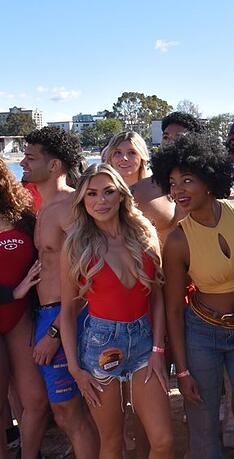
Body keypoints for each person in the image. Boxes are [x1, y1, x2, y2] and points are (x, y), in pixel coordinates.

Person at [153, 133, 234, 458]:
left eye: (187, 180)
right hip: (201, 335)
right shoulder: (177, 241)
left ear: (209, 178)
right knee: (203, 430)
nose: (178, 190)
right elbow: (174, 310)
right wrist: (183, 370)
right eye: (173, 183)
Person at [59, 164, 172, 458]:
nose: (101, 201)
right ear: (82, 200)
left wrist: (159, 350)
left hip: (145, 345)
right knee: (111, 442)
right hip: (100, 346)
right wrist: (75, 369)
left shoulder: (143, 233)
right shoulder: (76, 245)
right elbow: (68, 313)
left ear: (122, 195)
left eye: (109, 192)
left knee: (163, 440)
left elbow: (157, 296)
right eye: (92, 194)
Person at [18, 126, 99, 458]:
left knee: (70, 412)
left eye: (31, 157)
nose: (23, 162)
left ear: (54, 166)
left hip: (66, 318)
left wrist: (55, 331)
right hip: (49, 313)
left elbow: (89, 277)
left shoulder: (69, 208)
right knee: (67, 412)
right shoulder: (44, 208)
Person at [0, 161, 49, 459]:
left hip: (20, 318)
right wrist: (13, 291)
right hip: (9, 302)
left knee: (36, 400)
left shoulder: (22, 217)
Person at [131, 111, 205, 245]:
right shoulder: (139, 191)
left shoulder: (209, 188)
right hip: (158, 264)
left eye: (179, 137)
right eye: (166, 137)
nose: (170, 142)